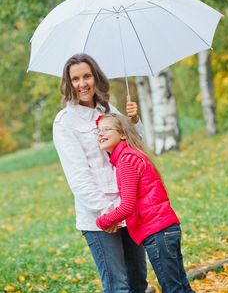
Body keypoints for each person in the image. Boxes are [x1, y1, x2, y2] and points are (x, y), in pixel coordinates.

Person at [53, 53, 152, 293]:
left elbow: (136, 147)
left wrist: (134, 120)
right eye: (75, 79)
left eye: (87, 76)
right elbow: (78, 177)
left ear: (96, 77)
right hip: (100, 218)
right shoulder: (65, 122)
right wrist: (110, 214)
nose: (82, 83)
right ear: (69, 84)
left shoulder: (109, 110)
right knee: (118, 286)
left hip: (127, 206)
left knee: (138, 281)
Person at [96, 113, 195, 293]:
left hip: (157, 233)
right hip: (167, 229)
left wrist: (103, 221)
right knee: (181, 287)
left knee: (173, 289)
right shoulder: (133, 155)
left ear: (123, 134)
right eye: (98, 131)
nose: (100, 134)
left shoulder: (125, 161)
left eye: (106, 129)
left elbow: (127, 206)